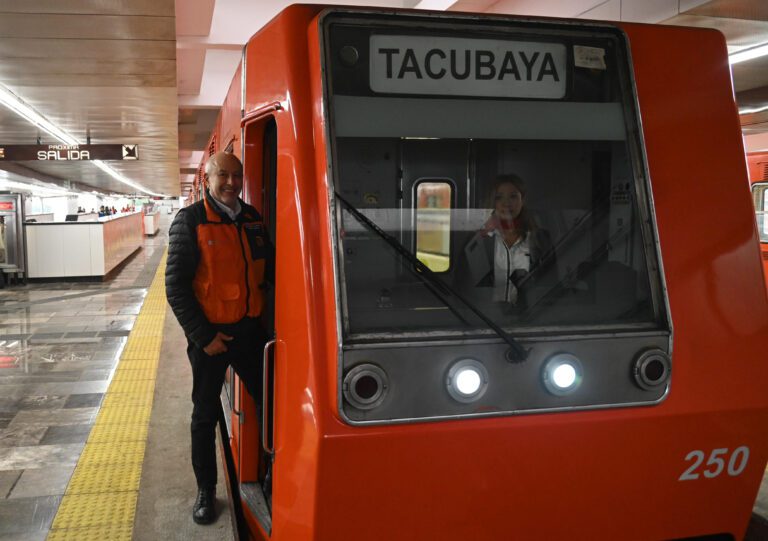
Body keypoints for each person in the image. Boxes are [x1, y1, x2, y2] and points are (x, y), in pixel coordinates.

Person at [165, 151, 273, 525]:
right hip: (212, 339)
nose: (231, 183)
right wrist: (204, 336)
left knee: (272, 404)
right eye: (223, 175)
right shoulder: (190, 221)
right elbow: (176, 288)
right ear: (208, 179)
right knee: (205, 415)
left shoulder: (252, 219)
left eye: (237, 176)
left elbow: (268, 268)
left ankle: (272, 471)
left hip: (249, 332)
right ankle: (206, 491)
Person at [456, 174, 554, 307]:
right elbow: (463, 289)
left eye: (513, 196)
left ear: (522, 200)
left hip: (532, 317)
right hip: (486, 318)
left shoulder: (541, 238)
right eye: (499, 197)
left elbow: (551, 285)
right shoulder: (477, 240)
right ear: (492, 202)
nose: (506, 203)